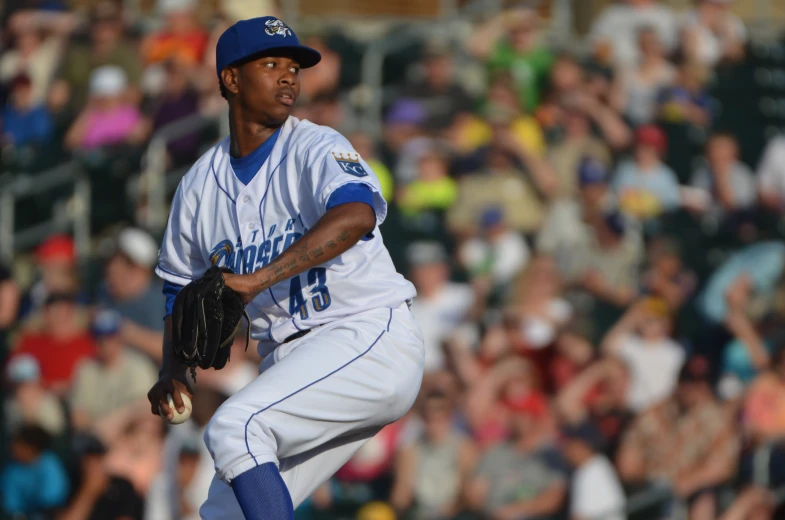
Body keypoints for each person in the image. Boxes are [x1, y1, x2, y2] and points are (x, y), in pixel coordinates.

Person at [147, 17, 425, 519]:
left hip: (365, 334)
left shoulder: (315, 146)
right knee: (226, 512)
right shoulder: (197, 186)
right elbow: (178, 288)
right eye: (271, 64)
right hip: (293, 362)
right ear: (231, 79)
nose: (288, 77)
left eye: (294, 67)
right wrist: (173, 370)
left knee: (236, 427)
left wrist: (258, 279)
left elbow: (357, 213)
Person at [561, 421, 626, 520]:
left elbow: (582, 516)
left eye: (570, 446)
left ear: (582, 446)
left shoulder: (593, 469)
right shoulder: (592, 467)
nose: (566, 452)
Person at [1, 425, 69, 515]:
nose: (13, 448)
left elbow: (52, 502)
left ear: (32, 448)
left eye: (19, 445)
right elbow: (10, 505)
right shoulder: (11, 470)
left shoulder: (49, 464)